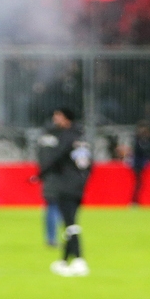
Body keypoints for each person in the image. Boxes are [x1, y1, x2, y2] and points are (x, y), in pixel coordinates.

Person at [37, 107, 91, 277]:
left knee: (70, 224)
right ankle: (64, 261)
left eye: (58, 116)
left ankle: (80, 260)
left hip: (66, 184)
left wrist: (41, 174)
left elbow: (55, 158)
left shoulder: (64, 137)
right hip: (79, 184)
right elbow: (89, 163)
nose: (55, 120)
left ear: (67, 118)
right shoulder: (81, 138)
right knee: (70, 222)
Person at [129, 120, 150, 207]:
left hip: (142, 164)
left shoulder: (146, 141)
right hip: (138, 165)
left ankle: (136, 201)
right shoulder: (138, 140)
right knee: (137, 184)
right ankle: (134, 201)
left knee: (140, 184)